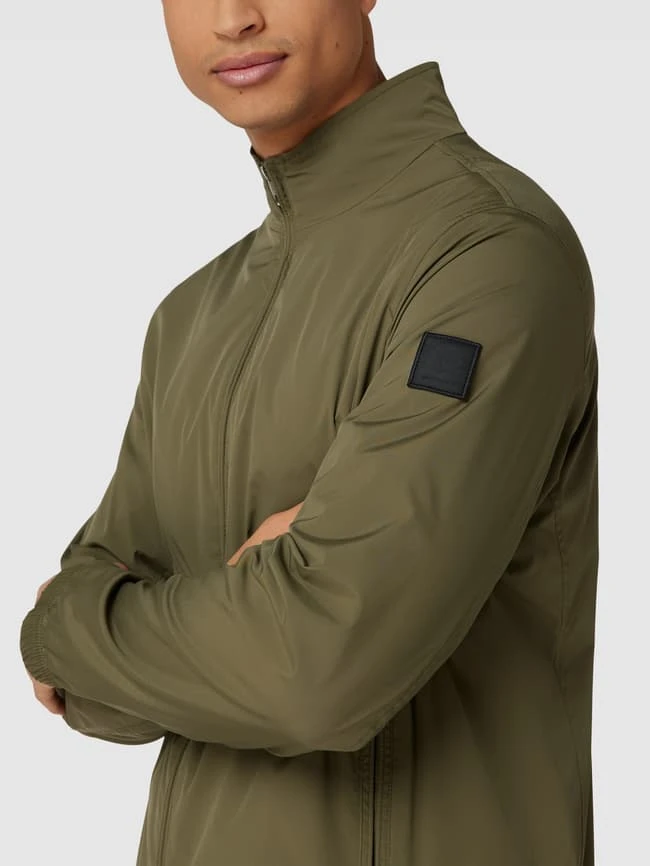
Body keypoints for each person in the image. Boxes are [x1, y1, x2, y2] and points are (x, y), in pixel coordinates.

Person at [20, 2, 599, 865]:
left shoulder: (487, 254)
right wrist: (218, 601)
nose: (233, 18)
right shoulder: (191, 316)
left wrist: (85, 630)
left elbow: (316, 670)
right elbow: (85, 686)